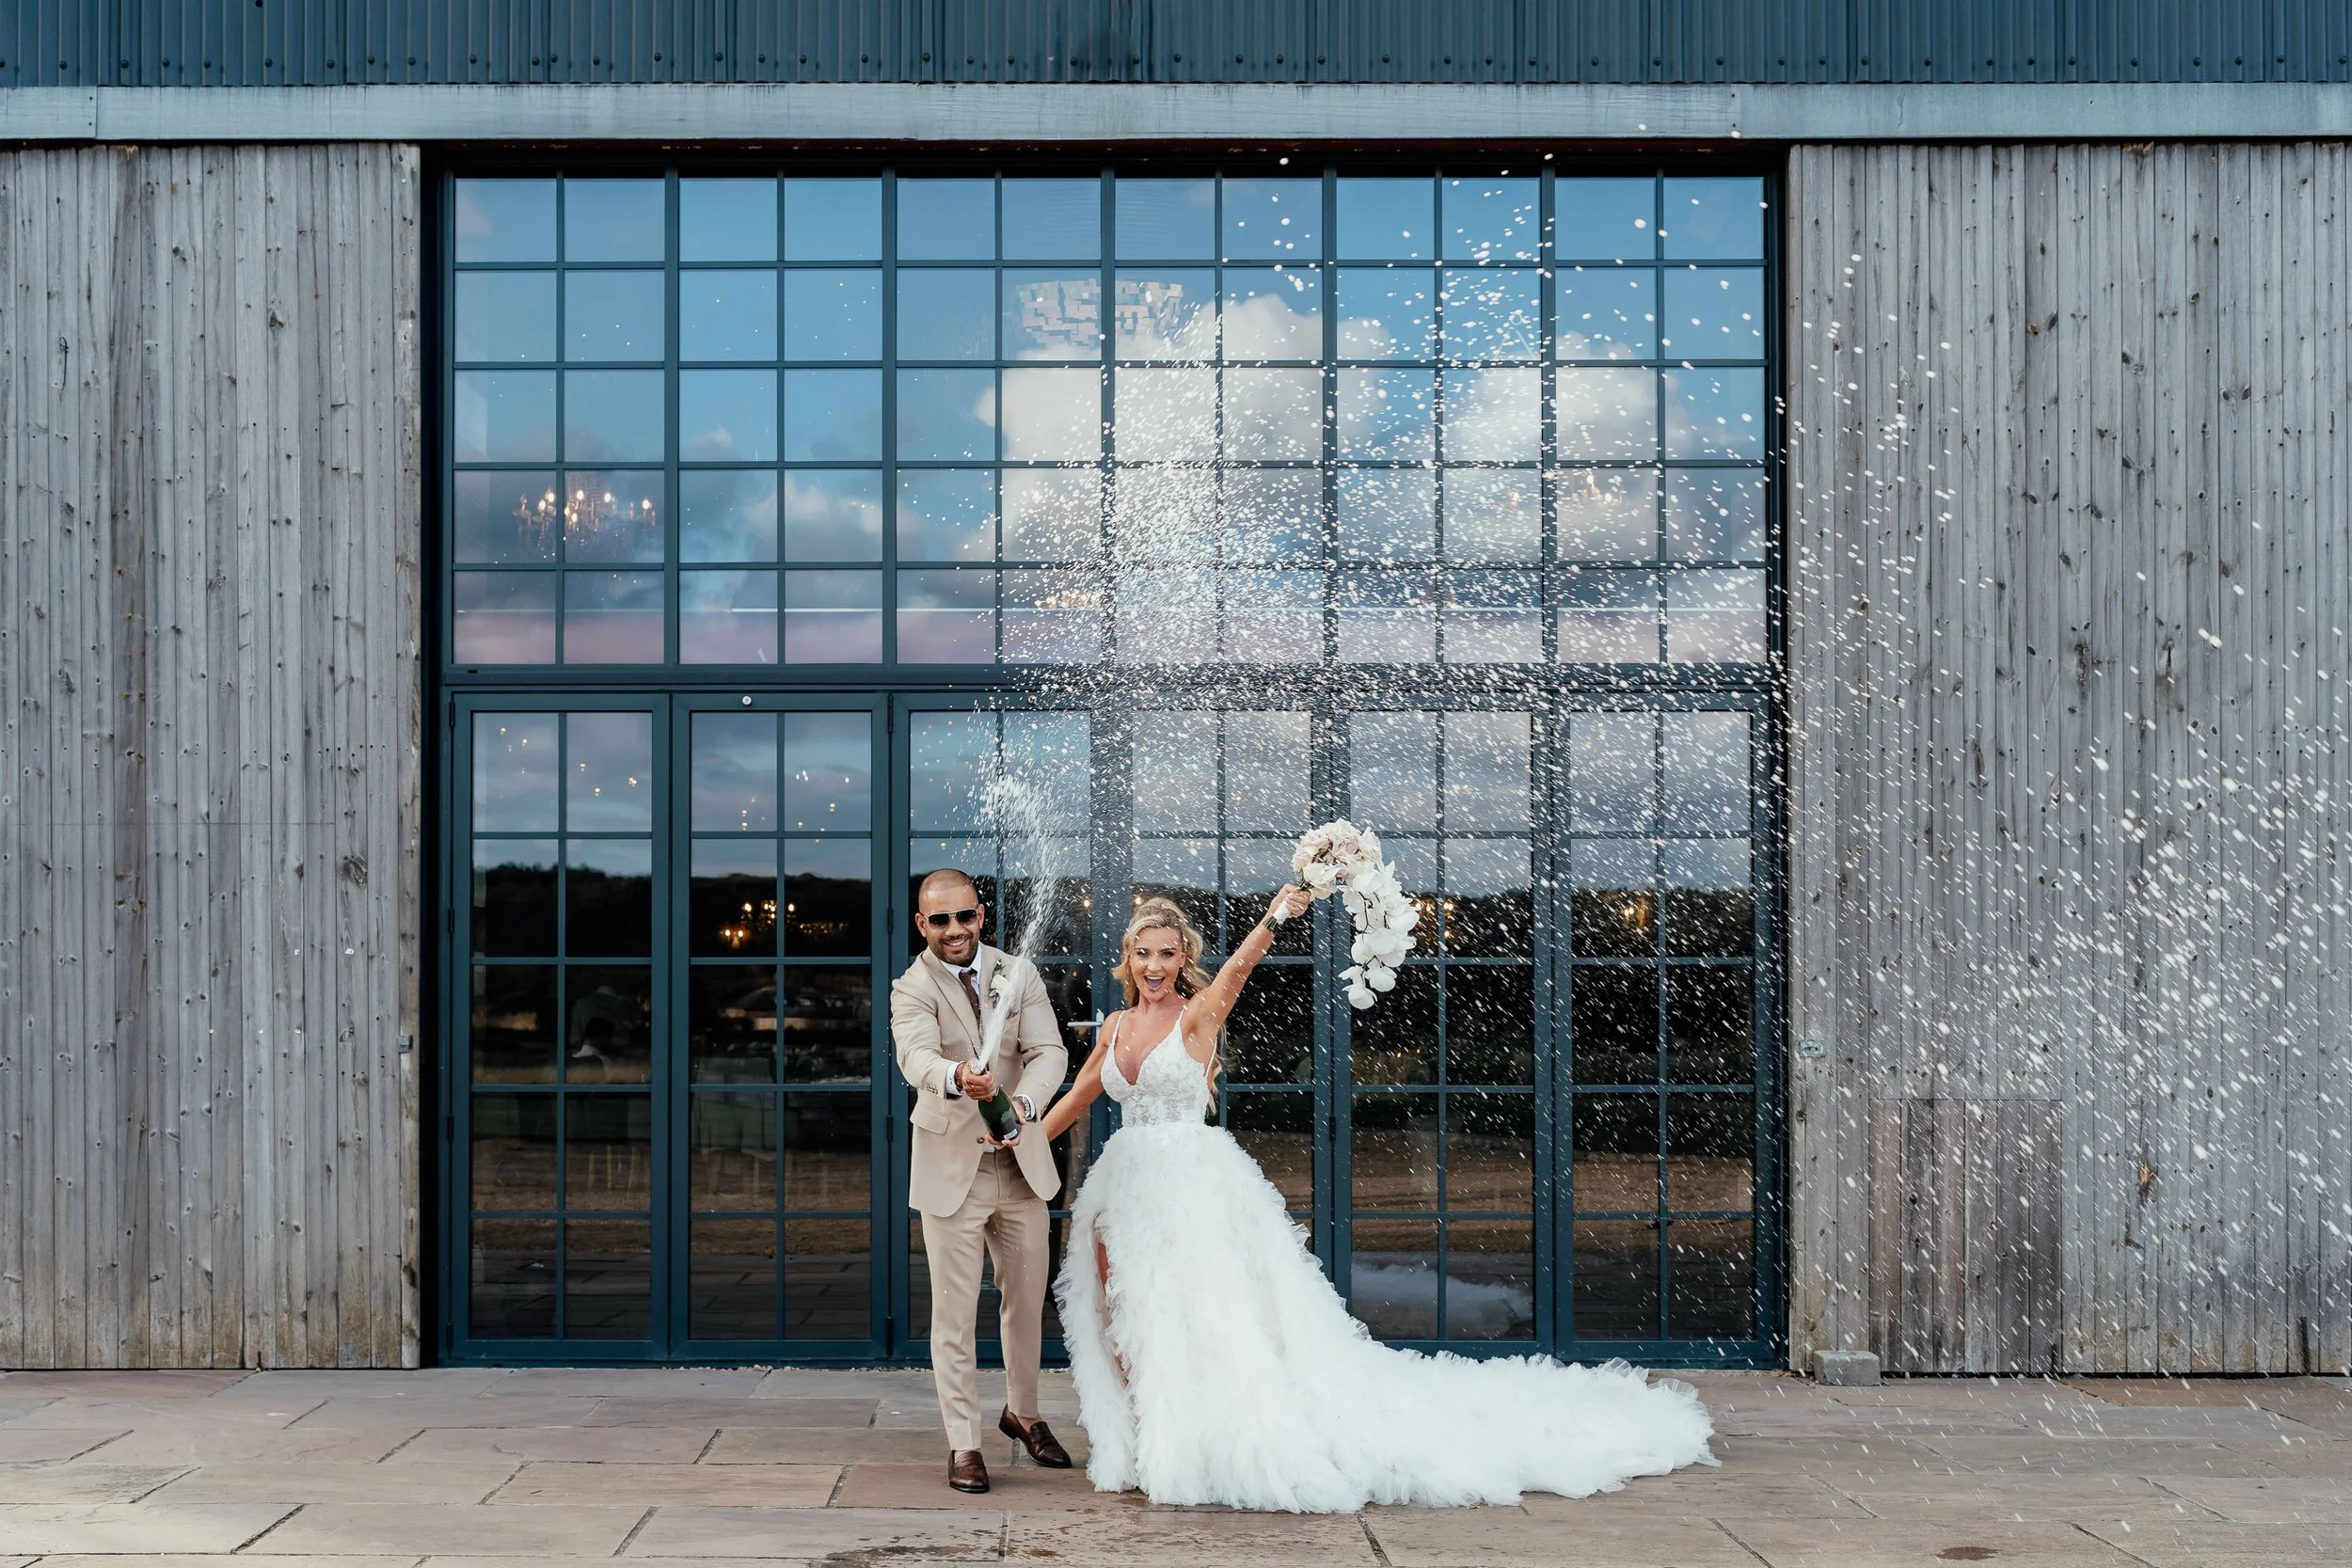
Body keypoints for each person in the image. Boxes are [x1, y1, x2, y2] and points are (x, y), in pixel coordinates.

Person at [1039, 890, 1717, 1513]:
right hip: (1124, 1187)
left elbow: (1240, 970)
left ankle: (1192, 1443)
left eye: (1166, 952)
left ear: (1183, 957)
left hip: (1190, 1186)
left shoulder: (1198, 1017)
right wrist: (1022, 1140)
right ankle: (1138, 1440)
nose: (1154, 964)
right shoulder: (1115, 1026)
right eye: (1142, 952)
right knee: (1122, 1314)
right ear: (1127, 958)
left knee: (1200, 1316)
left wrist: (1277, 913)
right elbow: (1078, 1097)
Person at [889, 868, 1073, 1495]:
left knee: (1026, 1302)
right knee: (955, 1313)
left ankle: (1023, 1412)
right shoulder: (909, 987)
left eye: (963, 916)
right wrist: (956, 1075)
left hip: (1019, 1165)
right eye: (939, 920)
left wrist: (1021, 1108)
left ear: (980, 914)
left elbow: (1051, 1051)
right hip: (952, 1173)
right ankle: (964, 1442)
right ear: (922, 925)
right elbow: (914, 1057)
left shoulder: (1014, 972)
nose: (954, 930)